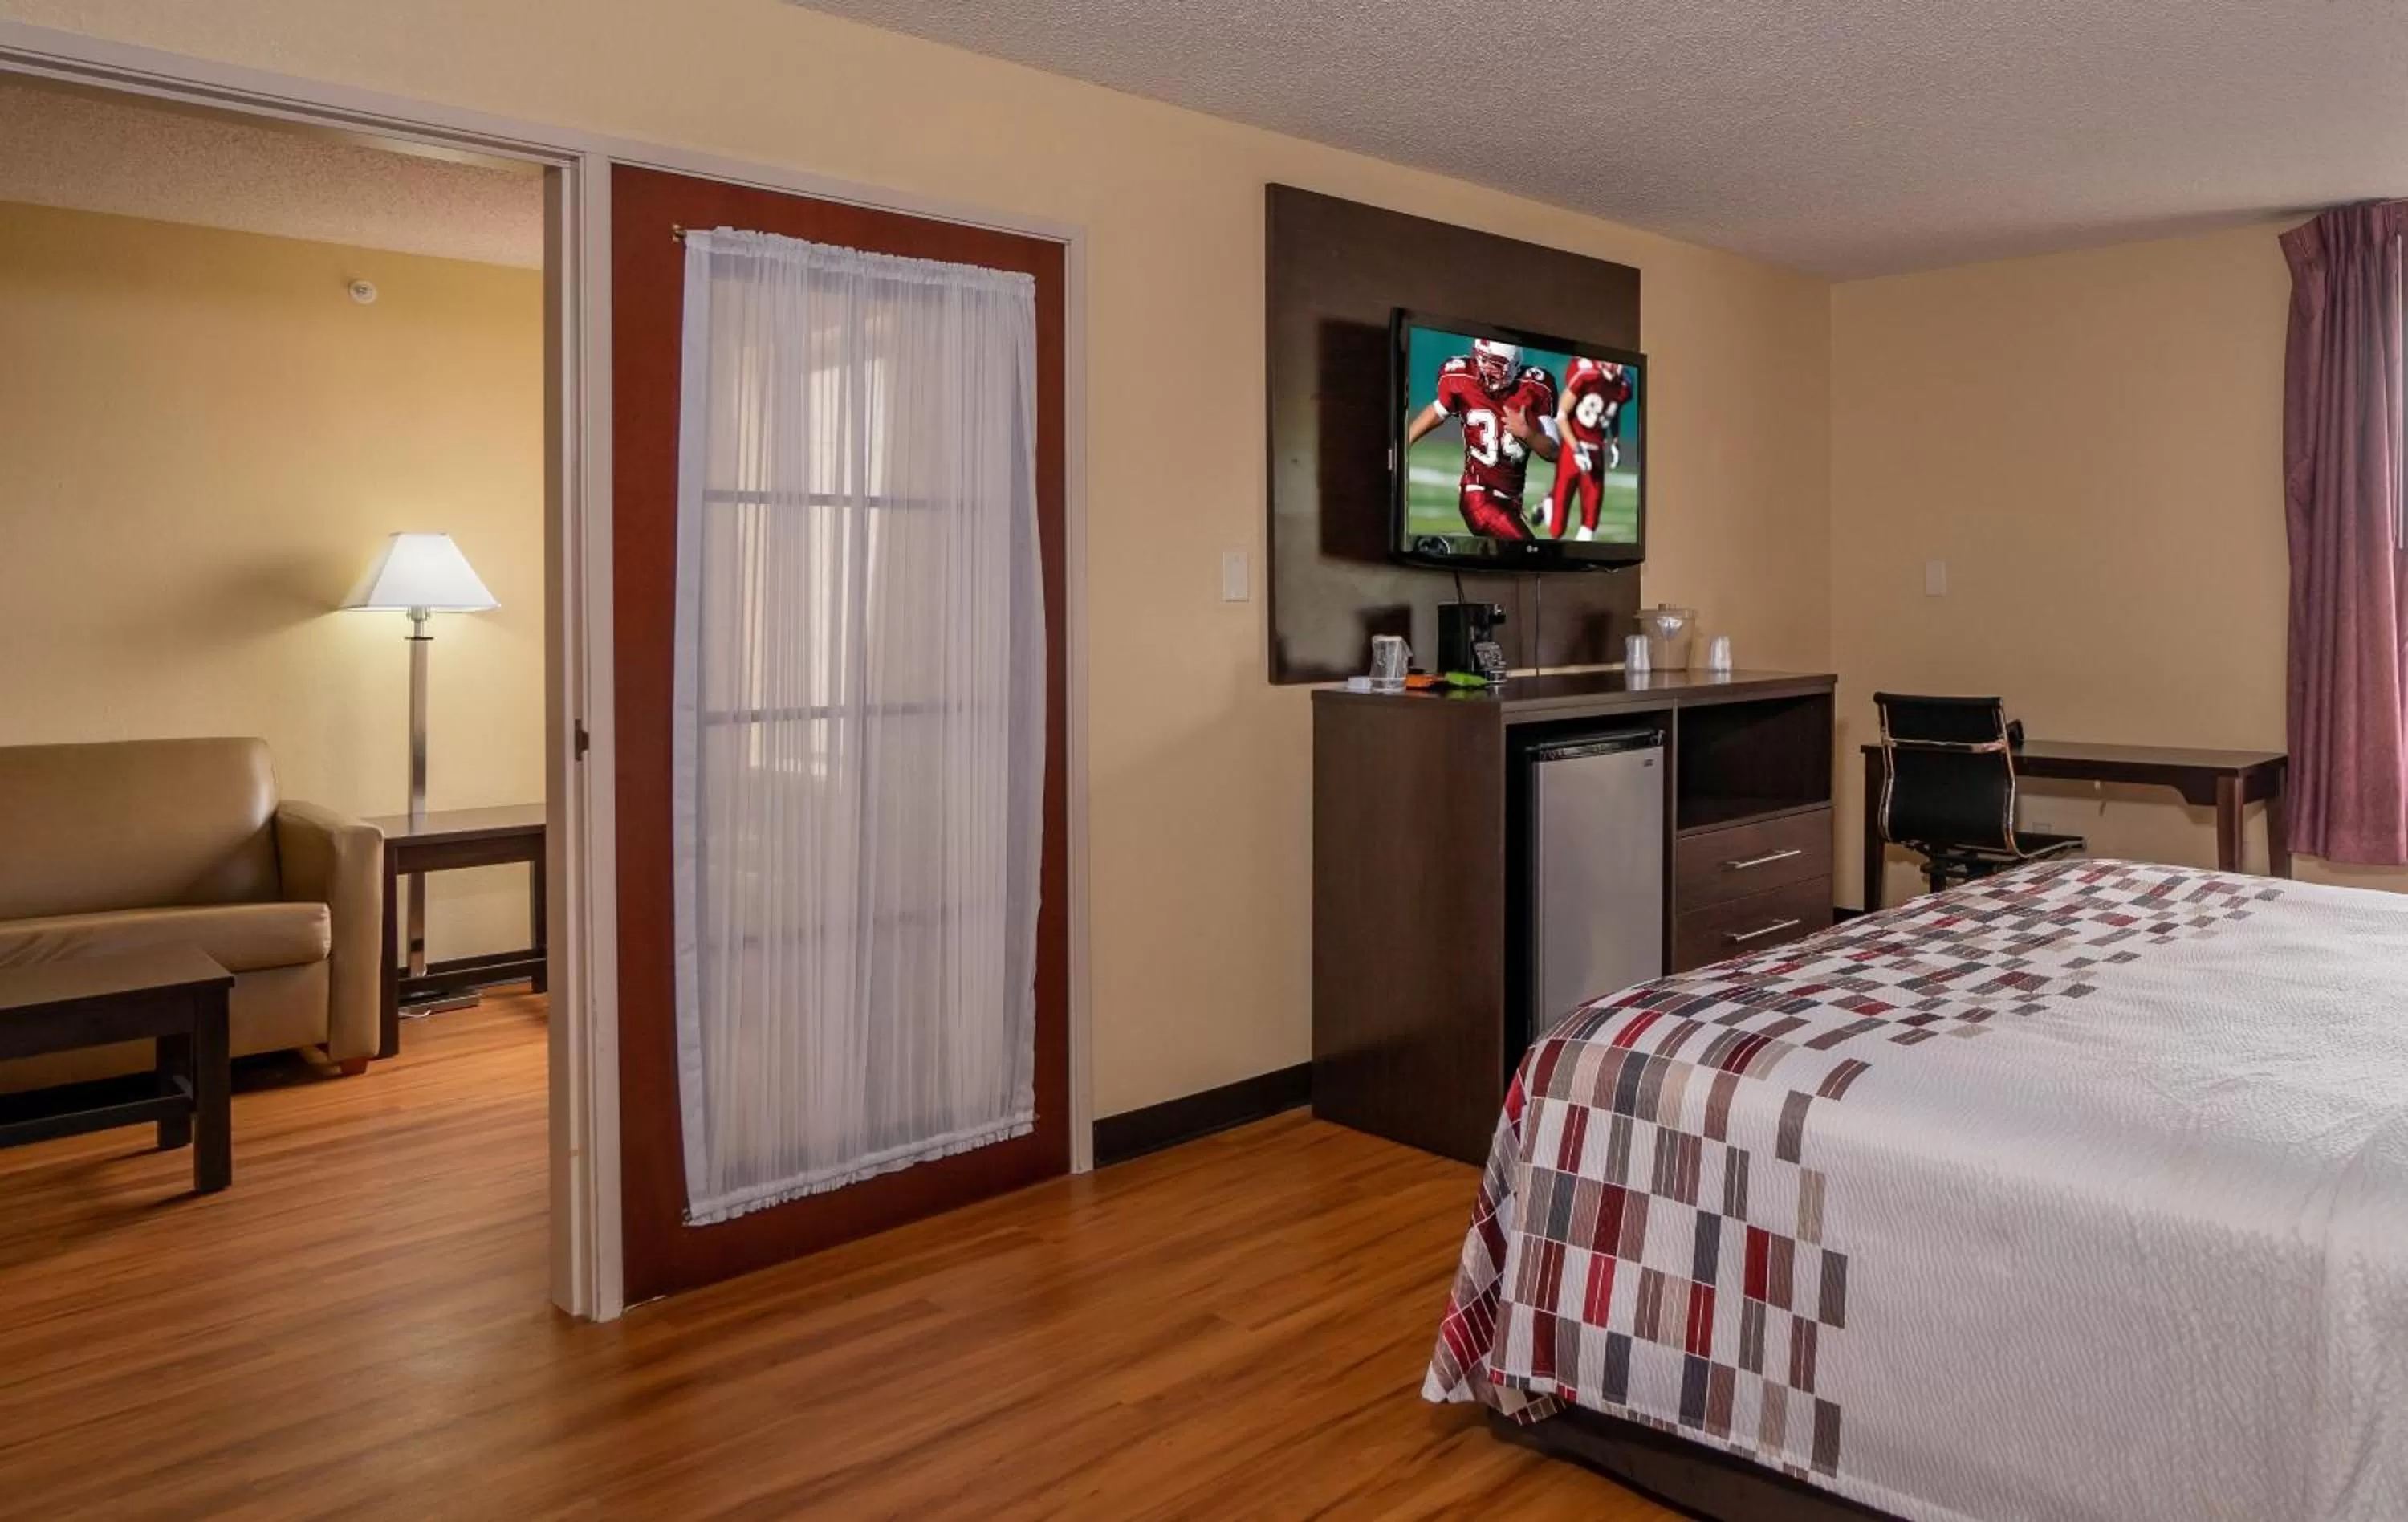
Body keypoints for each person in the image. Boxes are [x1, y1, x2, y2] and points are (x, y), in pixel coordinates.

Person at [1403, 337, 1559, 539]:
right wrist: (1402, 444)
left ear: (1513, 366)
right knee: (1530, 555)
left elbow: (1554, 452)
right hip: (1478, 496)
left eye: (1493, 364)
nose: (1485, 369)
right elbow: (1437, 411)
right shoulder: (1462, 378)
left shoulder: (1534, 388)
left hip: (1510, 502)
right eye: (1481, 360)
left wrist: (1527, 434)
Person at [1545, 356, 1633, 539]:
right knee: (1557, 528)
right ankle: (1549, 500)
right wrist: (1576, 448)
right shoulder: (1586, 373)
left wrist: (1615, 440)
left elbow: (1613, 411)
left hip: (1596, 448)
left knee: (1591, 519)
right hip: (1573, 445)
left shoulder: (1624, 384)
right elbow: (1561, 415)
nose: (1616, 365)